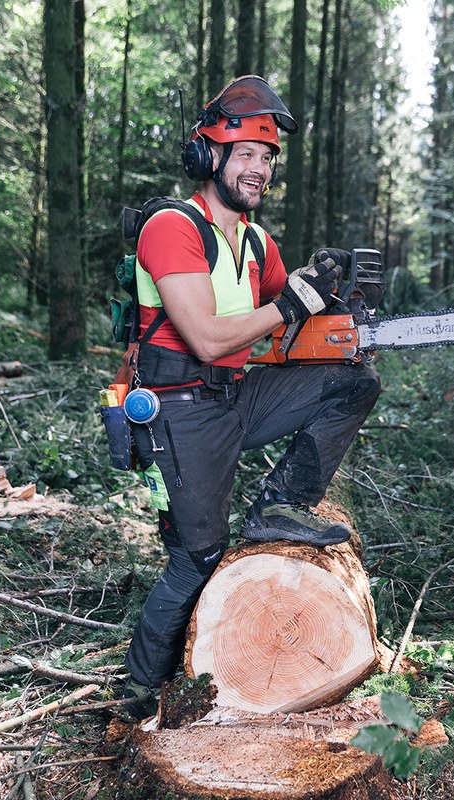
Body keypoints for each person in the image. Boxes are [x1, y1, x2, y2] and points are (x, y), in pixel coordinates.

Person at [119, 76, 381, 719]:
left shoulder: (258, 243)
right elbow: (208, 338)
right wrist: (290, 299)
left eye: (266, 157)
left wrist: (337, 315)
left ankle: (280, 507)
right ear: (208, 156)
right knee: (197, 557)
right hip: (179, 410)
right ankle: (137, 694)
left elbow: (284, 328)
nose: (258, 168)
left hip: (237, 394)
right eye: (245, 154)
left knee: (353, 380)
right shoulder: (171, 227)